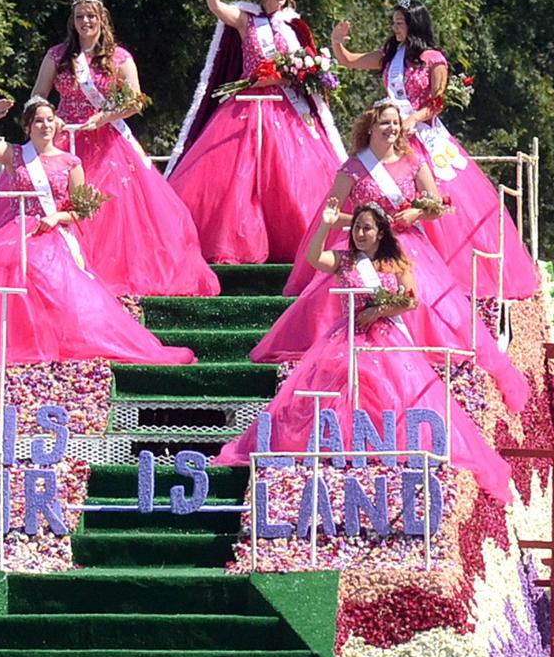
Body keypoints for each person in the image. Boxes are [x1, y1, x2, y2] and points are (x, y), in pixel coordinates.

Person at [217, 201, 512, 503]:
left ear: (380, 232)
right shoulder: (345, 260)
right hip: (345, 338)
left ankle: (379, 447)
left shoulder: (397, 261)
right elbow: (314, 257)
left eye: (367, 227)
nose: (360, 233)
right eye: (357, 227)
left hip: (386, 338)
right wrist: (326, 224)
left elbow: (411, 301)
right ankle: (339, 447)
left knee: (392, 392)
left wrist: (379, 310)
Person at [251, 101, 529, 412]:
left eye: (396, 122)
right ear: (370, 126)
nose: (392, 128)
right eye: (385, 123)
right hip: (363, 246)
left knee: (430, 298)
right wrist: (363, 223)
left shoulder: (413, 161)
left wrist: (416, 211)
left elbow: (435, 205)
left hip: (408, 244)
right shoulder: (354, 167)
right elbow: (332, 212)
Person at [0, 97, 195, 369]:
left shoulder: (70, 163)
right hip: (15, 232)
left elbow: (84, 210)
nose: (46, 125)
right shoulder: (15, 155)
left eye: (50, 119)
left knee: (54, 284)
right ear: (28, 126)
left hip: (54, 234)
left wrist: (58, 217)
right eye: (39, 120)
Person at [322, 0, 538, 301]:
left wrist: (415, 117)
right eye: (394, 22)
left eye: (400, 22)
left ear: (414, 24)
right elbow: (350, 60)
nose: (395, 27)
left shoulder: (433, 58)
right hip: (391, 131)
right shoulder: (389, 54)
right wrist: (336, 42)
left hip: (423, 135)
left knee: (441, 202)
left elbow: (437, 101)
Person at [11, 0, 217, 297]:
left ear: (102, 19)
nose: (85, 22)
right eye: (80, 16)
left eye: (91, 16)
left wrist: (104, 117)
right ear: (73, 21)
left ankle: (105, 274)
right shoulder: (57, 56)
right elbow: (38, 95)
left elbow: (136, 101)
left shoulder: (119, 57)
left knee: (111, 210)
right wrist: (48, 119)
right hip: (65, 136)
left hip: (108, 141)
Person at [164, 0, 345, 264]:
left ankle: (301, 243)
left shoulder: (294, 25)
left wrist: (297, 73)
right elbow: (217, 6)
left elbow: (303, 68)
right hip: (245, 106)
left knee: (293, 176)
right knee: (235, 178)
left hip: (284, 108)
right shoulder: (247, 19)